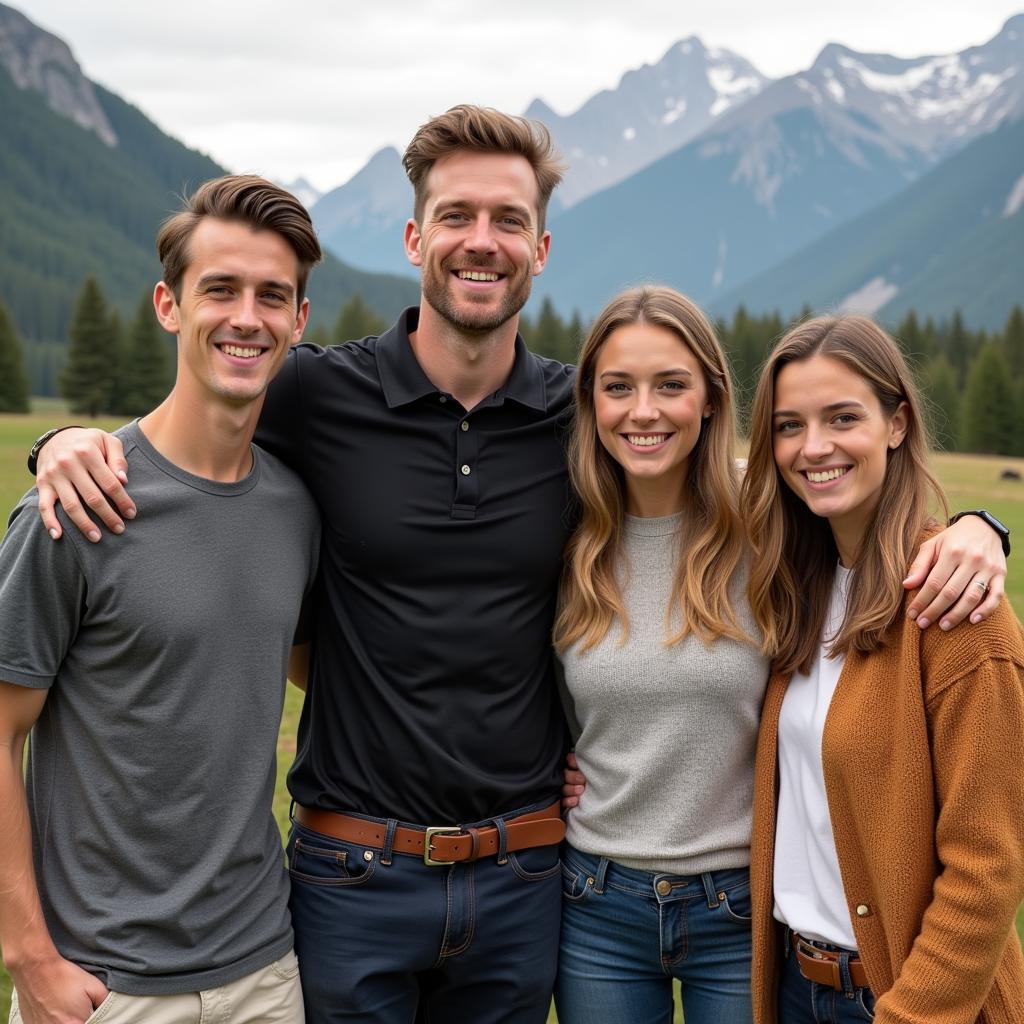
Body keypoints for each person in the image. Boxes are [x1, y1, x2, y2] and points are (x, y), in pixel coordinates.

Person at [28, 109, 1010, 1023]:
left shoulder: (578, 423)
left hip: (525, 878)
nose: (481, 239)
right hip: (351, 871)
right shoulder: (316, 396)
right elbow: (202, 408)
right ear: (416, 240)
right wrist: (70, 442)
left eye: (509, 219)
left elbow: (784, 472)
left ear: (539, 250)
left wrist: (973, 528)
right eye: (455, 214)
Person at [0, 175, 322, 1024]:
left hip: (265, 972)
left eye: (272, 295)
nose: (247, 316)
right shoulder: (74, 505)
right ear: (169, 305)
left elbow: (313, 672)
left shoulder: (297, 509)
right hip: (104, 985)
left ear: (301, 319)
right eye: (220, 288)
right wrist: (30, 958)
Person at [742, 316, 1024, 1023]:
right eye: (789, 426)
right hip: (795, 986)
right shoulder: (797, 588)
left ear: (896, 424)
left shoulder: (956, 609)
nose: (814, 448)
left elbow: (987, 870)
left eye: (843, 418)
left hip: (902, 1001)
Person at [553, 287, 764, 1024]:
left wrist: (977, 527)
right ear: (592, 402)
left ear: (709, 398)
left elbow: (886, 525)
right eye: (619, 388)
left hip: (738, 908)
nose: (643, 411)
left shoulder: (770, 523)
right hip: (596, 905)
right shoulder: (563, 537)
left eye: (670, 385)